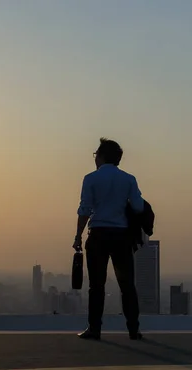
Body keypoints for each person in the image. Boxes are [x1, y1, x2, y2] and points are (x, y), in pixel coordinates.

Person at [73, 138, 144, 341]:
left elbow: (84, 209)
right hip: (121, 236)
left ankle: (94, 329)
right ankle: (133, 329)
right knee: (127, 284)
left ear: (102, 156)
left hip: (98, 235)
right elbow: (138, 207)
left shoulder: (90, 179)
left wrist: (78, 235)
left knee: (97, 285)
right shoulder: (129, 179)